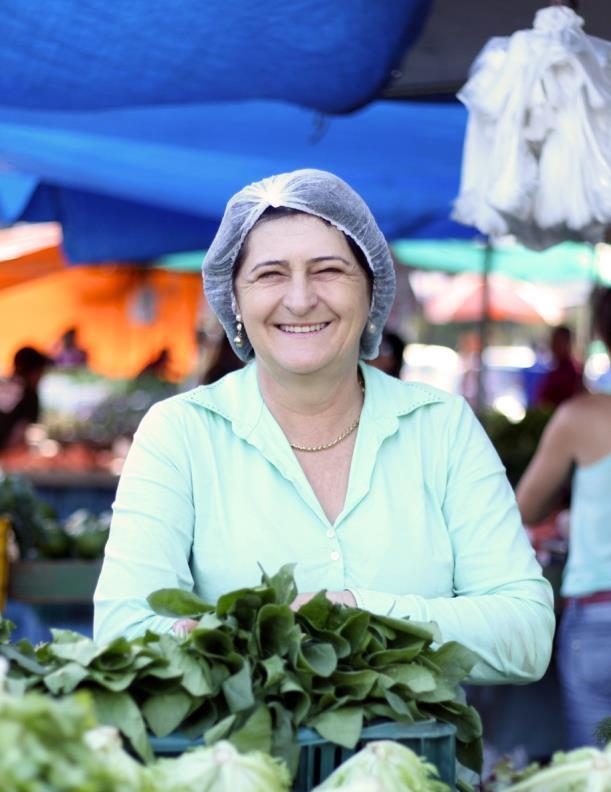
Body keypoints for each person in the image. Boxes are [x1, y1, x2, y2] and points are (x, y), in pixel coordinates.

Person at [94, 169, 554, 686]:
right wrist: (260, 635)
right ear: (235, 301)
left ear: (371, 289)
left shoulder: (442, 427)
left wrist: (351, 612)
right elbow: (123, 632)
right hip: (238, 762)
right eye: (269, 274)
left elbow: (526, 633)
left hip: (413, 765)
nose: (300, 298)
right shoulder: (179, 433)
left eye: (328, 270)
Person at [517, 289, 611, 746]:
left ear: (600, 335)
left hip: (597, 620)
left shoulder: (581, 416)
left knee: (596, 784)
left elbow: (524, 509)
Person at [0, 346, 52, 451]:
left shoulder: (2, 384)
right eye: (41, 372)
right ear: (34, 372)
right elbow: (20, 436)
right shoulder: (29, 394)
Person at [534, 324, 583, 409]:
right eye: (553, 341)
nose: (553, 346)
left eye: (558, 342)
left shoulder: (572, 372)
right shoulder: (556, 369)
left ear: (568, 344)